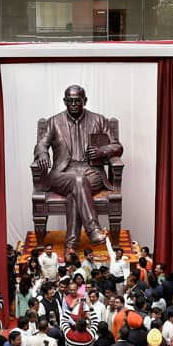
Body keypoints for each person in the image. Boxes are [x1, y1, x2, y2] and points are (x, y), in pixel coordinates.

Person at [33, 84, 124, 249]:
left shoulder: (99, 120)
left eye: (77, 101)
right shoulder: (54, 122)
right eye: (70, 101)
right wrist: (43, 154)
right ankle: (93, 229)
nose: (73, 104)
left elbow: (117, 146)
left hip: (91, 172)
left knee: (76, 189)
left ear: (85, 100)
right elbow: (41, 144)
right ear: (64, 101)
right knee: (78, 182)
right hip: (62, 173)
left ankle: (71, 246)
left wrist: (102, 151)